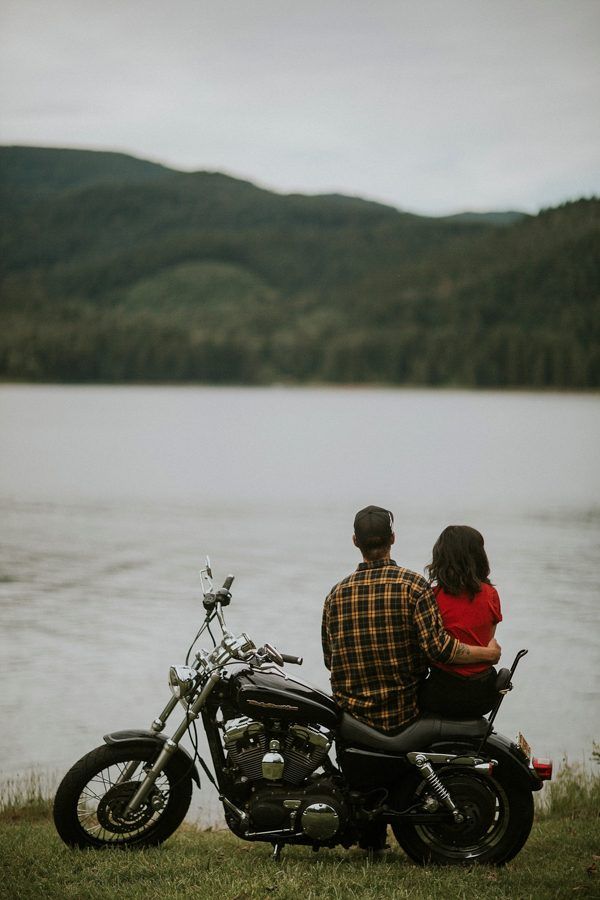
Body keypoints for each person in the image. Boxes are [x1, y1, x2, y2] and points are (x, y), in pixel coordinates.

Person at [321, 506, 501, 736]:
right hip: (405, 714)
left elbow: (330, 660)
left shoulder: (335, 595)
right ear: (393, 538)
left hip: (352, 719)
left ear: (356, 541)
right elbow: (438, 649)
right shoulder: (414, 586)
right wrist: (489, 654)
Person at [419, 525, 502, 718]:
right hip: (482, 693)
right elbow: (487, 639)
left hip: (443, 693)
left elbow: (431, 650)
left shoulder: (432, 596)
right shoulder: (491, 594)